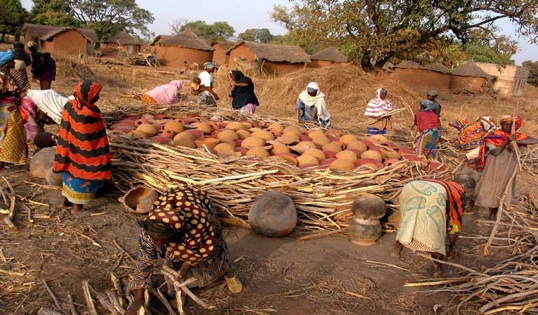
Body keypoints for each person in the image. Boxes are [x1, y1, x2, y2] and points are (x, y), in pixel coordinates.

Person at [125, 185, 243, 315]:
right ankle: (181, 292)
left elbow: (195, 252)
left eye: (161, 241)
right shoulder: (151, 229)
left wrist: (182, 271)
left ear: (175, 235)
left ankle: (229, 273)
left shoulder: (197, 226)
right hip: (174, 206)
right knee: (172, 256)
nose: (156, 243)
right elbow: (144, 262)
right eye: (155, 240)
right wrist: (137, 299)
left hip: (197, 204)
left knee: (215, 244)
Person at [390, 176, 475, 277]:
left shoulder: (445, 184)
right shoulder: (458, 194)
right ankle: (438, 270)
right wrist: (452, 246)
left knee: (407, 222)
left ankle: (395, 251)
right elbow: (454, 224)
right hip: (433, 194)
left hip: (410, 187)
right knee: (434, 233)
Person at [52, 80, 111, 214]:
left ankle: (64, 202)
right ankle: (77, 208)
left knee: (69, 173)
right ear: (88, 95)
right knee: (83, 174)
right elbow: (88, 138)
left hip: (68, 149)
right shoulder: (88, 113)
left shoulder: (70, 106)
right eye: (97, 94)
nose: (98, 97)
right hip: (84, 154)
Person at [474, 115, 538, 218]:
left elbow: (532, 140)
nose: (507, 126)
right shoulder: (493, 135)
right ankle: (489, 212)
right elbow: (495, 152)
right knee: (491, 186)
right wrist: (507, 141)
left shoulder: (516, 136)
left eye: (510, 124)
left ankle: (496, 213)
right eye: (505, 124)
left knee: (503, 187)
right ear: (501, 124)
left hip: (508, 165)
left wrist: (516, 141)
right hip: (495, 164)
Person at [0, 50, 27, 170]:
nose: (14, 62)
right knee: (3, 134)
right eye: (11, 60)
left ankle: (6, 160)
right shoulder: (1, 75)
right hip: (5, 110)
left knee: (11, 135)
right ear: (6, 62)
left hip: (12, 109)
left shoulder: (8, 74)